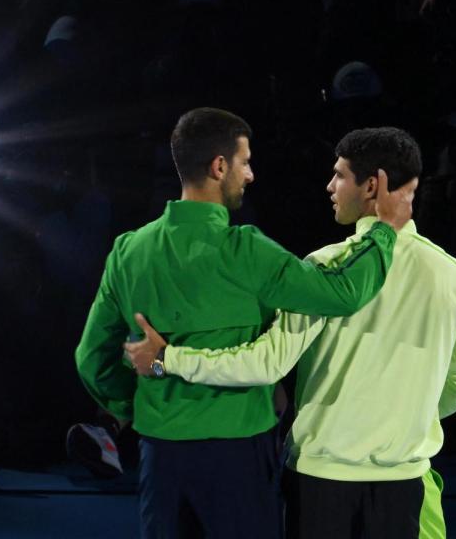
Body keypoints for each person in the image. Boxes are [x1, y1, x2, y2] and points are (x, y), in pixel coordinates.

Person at [125, 127, 456, 539]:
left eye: (339, 175)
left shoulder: (323, 269)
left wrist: (168, 358)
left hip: (320, 483)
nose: (330, 186)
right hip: (403, 482)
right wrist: (407, 416)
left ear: (372, 186)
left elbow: (266, 363)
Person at [75, 108, 416, 538]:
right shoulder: (247, 250)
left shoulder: (128, 251)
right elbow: (342, 294)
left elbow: (92, 358)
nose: (250, 175)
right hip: (238, 456)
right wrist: (384, 230)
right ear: (220, 167)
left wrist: (140, 405)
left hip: (160, 454)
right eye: (245, 163)